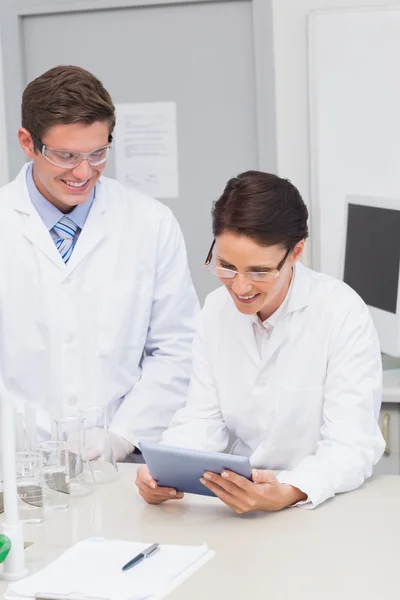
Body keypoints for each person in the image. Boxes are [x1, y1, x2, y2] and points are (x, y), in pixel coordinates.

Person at [136, 170, 385, 510]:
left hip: (324, 502)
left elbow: (352, 445)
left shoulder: (340, 312)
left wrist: (291, 489)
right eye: (226, 266)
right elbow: (204, 419)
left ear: (295, 253)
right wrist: (162, 470)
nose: (240, 287)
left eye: (259, 271)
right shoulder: (216, 311)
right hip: (243, 501)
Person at [0, 65, 199, 461]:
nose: (83, 171)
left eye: (98, 153)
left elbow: (178, 348)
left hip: (120, 460)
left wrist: (121, 437)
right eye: (66, 155)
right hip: (14, 463)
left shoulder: (149, 222)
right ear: (27, 142)